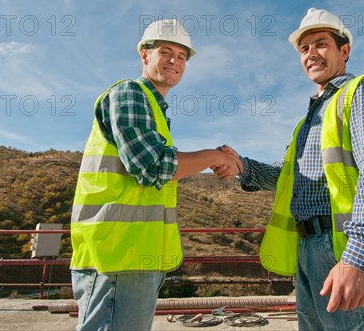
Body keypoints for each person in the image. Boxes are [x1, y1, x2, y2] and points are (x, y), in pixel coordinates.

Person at [220, 8, 364, 330]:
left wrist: (358, 257)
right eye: (304, 48)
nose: (311, 53)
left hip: (341, 246)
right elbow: (291, 178)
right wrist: (242, 166)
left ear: (344, 50)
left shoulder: (362, 92)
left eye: (320, 44)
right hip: (308, 248)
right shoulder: (308, 120)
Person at [70, 19, 241, 331]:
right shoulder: (130, 94)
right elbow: (153, 166)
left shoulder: (154, 109)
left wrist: (220, 158)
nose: (174, 60)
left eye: (181, 55)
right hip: (115, 257)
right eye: (165, 51)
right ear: (144, 55)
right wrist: (213, 157)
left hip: (135, 257)